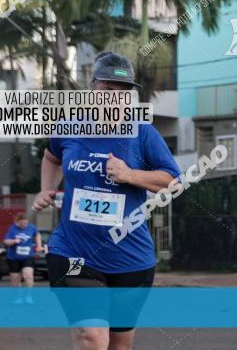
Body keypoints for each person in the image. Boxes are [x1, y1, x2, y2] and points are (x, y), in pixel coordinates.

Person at [32, 51, 181, 350]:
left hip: (130, 257)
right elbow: (51, 156)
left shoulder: (143, 134)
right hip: (73, 251)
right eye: (107, 90)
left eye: (123, 93)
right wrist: (46, 188)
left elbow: (173, 182)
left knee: (119, 345)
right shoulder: (69, 127)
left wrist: (130, 175)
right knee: (93, 337)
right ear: (92, 90)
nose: (115, 99)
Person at [2, 212, 44, 304]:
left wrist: (39, 245)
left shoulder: (31, 227)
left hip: (28, 256)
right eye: (22, 223)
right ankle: (18, 297)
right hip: (13, 257)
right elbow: (6, 241)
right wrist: (13, 241)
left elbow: (37, 234)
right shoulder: (12, 229)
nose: (24, 225)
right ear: (17, 222)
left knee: (28, 274)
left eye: (25, 223)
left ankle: (29, 296)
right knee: (15, 277)